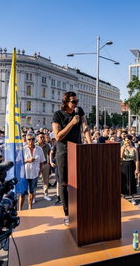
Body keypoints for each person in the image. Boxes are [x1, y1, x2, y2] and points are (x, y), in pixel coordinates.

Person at [52, 91, 91, 225]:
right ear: (66, 102)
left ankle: (80, 209)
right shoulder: (58, 115)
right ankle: (67, 213)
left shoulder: (79, 111)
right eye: (73, 102)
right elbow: (57, 136)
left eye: (77, 101)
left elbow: (85, 127)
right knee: (64, 184)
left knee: (80, 181)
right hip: (63, 152)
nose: (76, 104)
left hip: (77, 149)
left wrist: (90, 143)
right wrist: (72, 123)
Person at [20, 133, 45, 210]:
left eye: (33, 139)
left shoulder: (39, 149)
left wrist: (40, 171)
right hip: (24, 174)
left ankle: (30, 208)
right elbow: (19, 162)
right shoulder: (23, 149)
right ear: (26, 140)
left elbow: (42, 162)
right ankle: (20, 209)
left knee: (31, 192)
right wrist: (28, 160)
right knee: (22, 193)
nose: (31, 141)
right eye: (29, 139)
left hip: (34, 173)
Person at [120, 135, 139, 205]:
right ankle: (123, 196)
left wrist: (137, 169)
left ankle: (133, 198)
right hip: (124, 165)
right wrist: (123, 148)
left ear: (131, 140)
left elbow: (137, 160)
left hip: (132, 165)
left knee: (132, 180)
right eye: (126, 140)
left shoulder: (134, 148)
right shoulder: (122, 147)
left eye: (128, 140)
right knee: (124, 181)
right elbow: (121, 158)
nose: (127, 141)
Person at [36, 133, 52, 201]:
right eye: (40, 137)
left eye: (43, 137)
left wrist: (50, 162)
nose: (42, 139)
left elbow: (50, 153)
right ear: (37, 138)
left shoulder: (47, 145)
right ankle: (33, 196)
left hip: (45, 164)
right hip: (36, 165)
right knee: (35, 181)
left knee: (46, 180)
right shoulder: (35, 145)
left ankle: (46, 194)